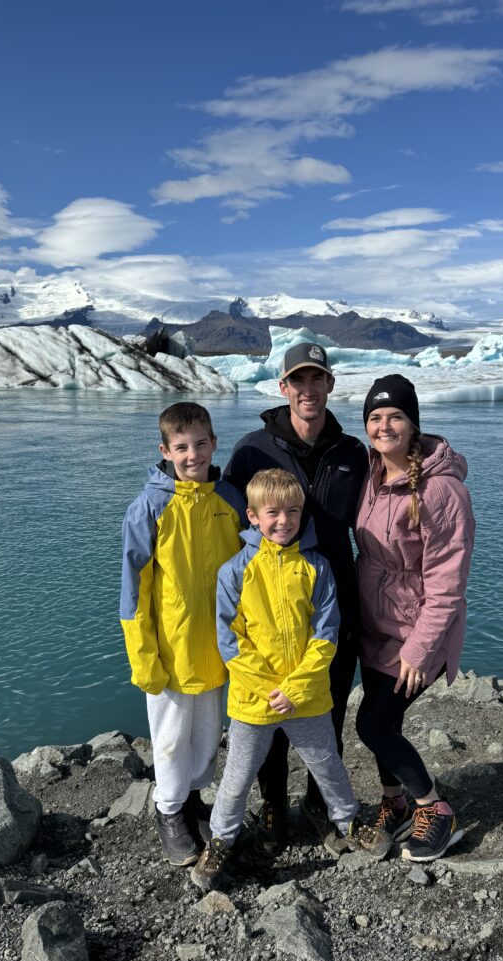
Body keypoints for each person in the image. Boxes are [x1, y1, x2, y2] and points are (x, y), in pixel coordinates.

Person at [190, 469, 390, 889]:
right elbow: (231, 642)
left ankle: (349, 823)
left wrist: (295, 689)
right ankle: (221, 839)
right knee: (239, 775)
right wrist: (269, 689)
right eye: (273, 513)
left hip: (307, 697)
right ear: (253, 516)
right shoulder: (235, 572)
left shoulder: (317, 568)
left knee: (329, 765)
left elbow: (326, 635)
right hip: (254, 701)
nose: (283, 521)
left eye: (293, 511)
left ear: (303, 514)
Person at [223, 338, 367, 855]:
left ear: (330, 384)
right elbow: (227, 526)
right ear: (282, 387)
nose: (308, 390)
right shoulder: (250, 451)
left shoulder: (353, 453)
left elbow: (381, 512)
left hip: (332, 606)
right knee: (268, 721)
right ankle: (272, 807)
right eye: (297, 380)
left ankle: (318, 805)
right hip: (265, 614)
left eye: (317, 379)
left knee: (325, 716)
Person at [354, 374, 476, 863]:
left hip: (415, 633)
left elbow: (448, 584)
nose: (385, 426)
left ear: (414, 423)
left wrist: (421, 648)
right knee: (386, 720)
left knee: (373, 725)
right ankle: (395, 801)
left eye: (396, 416)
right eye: (375, 417)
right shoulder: (372, 474)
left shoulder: (442, 492)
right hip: (373, 625)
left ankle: (434, 807)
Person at [120, 402, 246, 867]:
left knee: (207, 732)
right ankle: (169, 811)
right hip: (170, 651)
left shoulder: (230, 500)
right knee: (171, 737)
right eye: (181, 447)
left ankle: (193, 800)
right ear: (165, 451)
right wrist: (143, 656)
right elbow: (134, 590)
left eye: (200, 444)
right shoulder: (150, 507)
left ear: (214, 443)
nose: (192, 454)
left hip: (217, 647)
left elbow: (249, 570)